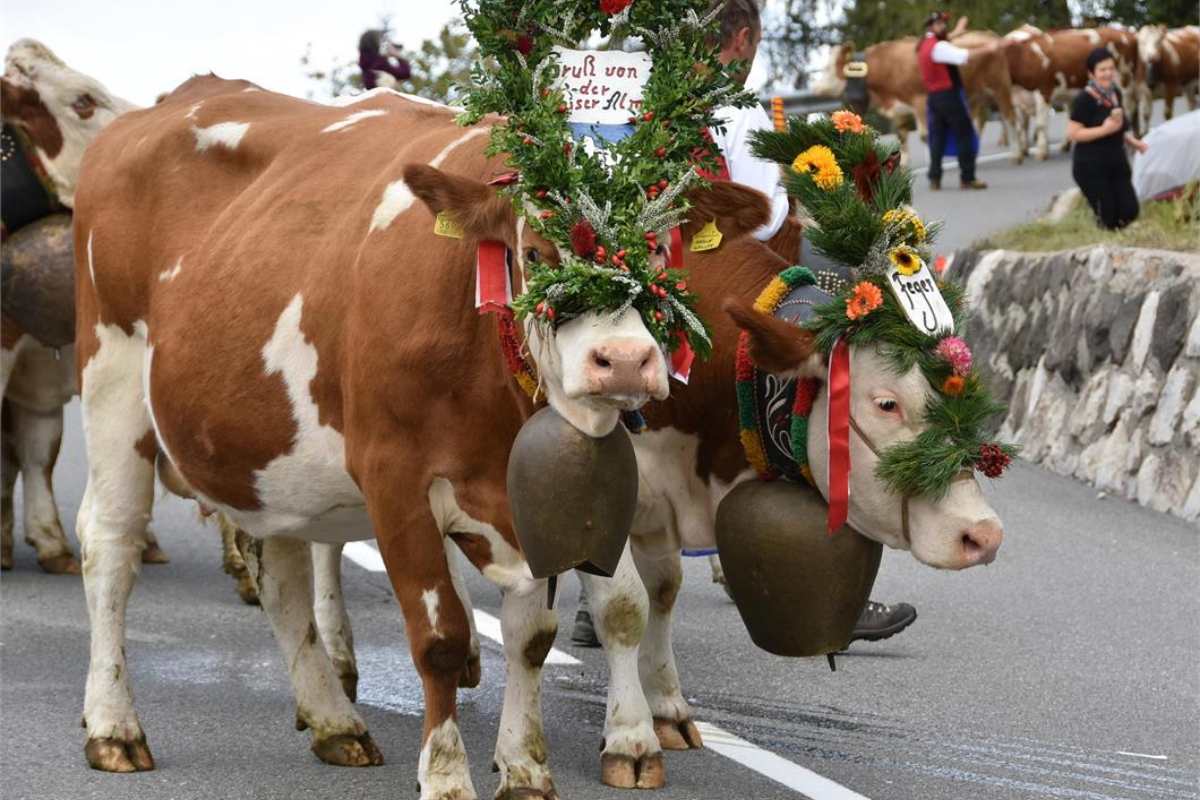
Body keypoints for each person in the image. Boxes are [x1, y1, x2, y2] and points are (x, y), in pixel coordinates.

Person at [572, 0, 918, 649]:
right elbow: (760, 219)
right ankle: (825, 592)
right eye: (753, 48)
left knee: (625, 437)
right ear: (739, 38)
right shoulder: (731, 106)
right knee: (788, 431)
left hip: (626, 294)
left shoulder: (625, 88)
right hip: (715, 304)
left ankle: (599, 599)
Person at [918, 11, 1009, 191]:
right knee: (965, 134)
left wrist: (959, 30)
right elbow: (963, 56)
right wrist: (989, 48)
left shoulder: (924, 45)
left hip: (934, 98)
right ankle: (967, 178)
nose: (943, 27)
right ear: (931, 27)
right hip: (948, 96)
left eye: (943, 24)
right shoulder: (938, 47)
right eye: (939, 24)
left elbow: (947, 39)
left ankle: (934, 179)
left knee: (937, 138)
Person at [1067, 47, 1148, 230]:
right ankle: (1108, 247)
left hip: (1115, 161)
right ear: (1091, 73)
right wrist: (1104, 130)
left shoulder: (1115, 93)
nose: (1108, 73)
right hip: (1091, 165)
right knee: (1108, 217)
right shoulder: (1084, 100)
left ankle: (1122, 244)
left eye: (1111, 69)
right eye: (1102, 70)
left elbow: (1119, 126)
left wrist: (1134, 142)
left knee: (1129, 210)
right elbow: (1073, 133)